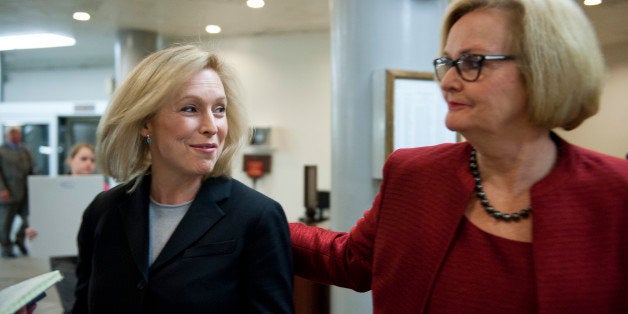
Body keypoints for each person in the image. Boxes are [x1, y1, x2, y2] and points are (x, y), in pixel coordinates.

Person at [290, 0, 628, 313]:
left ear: (545, 69)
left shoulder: (616, 193)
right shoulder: (413, 174)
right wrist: (252, 213)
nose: (448, 82)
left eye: (471, 62)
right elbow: (351, 260)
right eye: (447, 63)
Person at [73, 45, 294, 313]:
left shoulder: (257, 216)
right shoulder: (103, 212)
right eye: (190, 109)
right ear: (146, 123)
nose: (211, 126)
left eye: (220, 109)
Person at [0, 126, 36, 258]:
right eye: (12, 133)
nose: (15, 136)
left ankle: (20, 241)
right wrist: (2, 189)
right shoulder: (2, 151)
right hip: (9, 193)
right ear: (6, 135)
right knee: (5, 223)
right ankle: (6, 247)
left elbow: (32, 169)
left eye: (17, 133)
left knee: (28, 220)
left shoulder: (25, 150)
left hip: (25, 192)